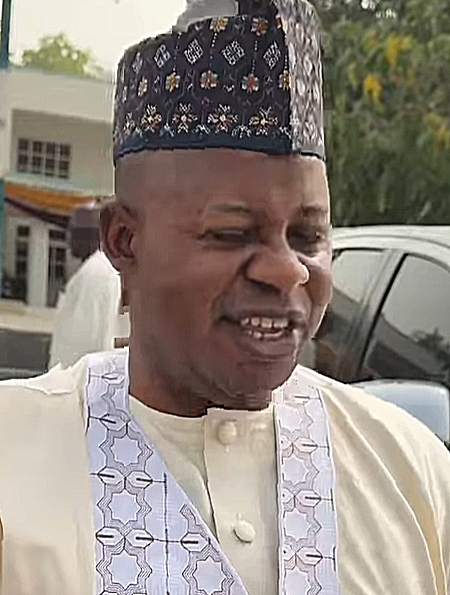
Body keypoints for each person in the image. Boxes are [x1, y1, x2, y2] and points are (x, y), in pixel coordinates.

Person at [1, 1, 450, 594]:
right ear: (125, 241)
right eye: (233, 233)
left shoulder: (412, 471)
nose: (287, 270)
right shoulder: (12, 463)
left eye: (307, 236)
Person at [49, 199, 130, 369]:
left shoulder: (98, 274)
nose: (68, 238)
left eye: (73, 231)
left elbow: (95, 342)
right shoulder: (92, 270)